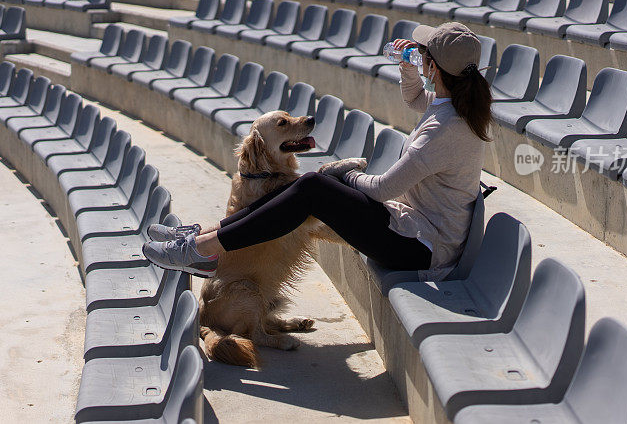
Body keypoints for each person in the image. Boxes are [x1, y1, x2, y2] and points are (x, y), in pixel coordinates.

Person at [142, 22, 493, 280]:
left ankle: (202, 250)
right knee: (311, 184)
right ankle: (204, 238)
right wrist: (407, 68)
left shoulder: (446, 129)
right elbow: (417, 99)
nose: (419, 56)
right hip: (412, 228)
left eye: (424, 54)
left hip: (422, 248)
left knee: (314, 187)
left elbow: (384, 189)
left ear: (433, 66)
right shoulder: (454, 107)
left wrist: (346, 174)